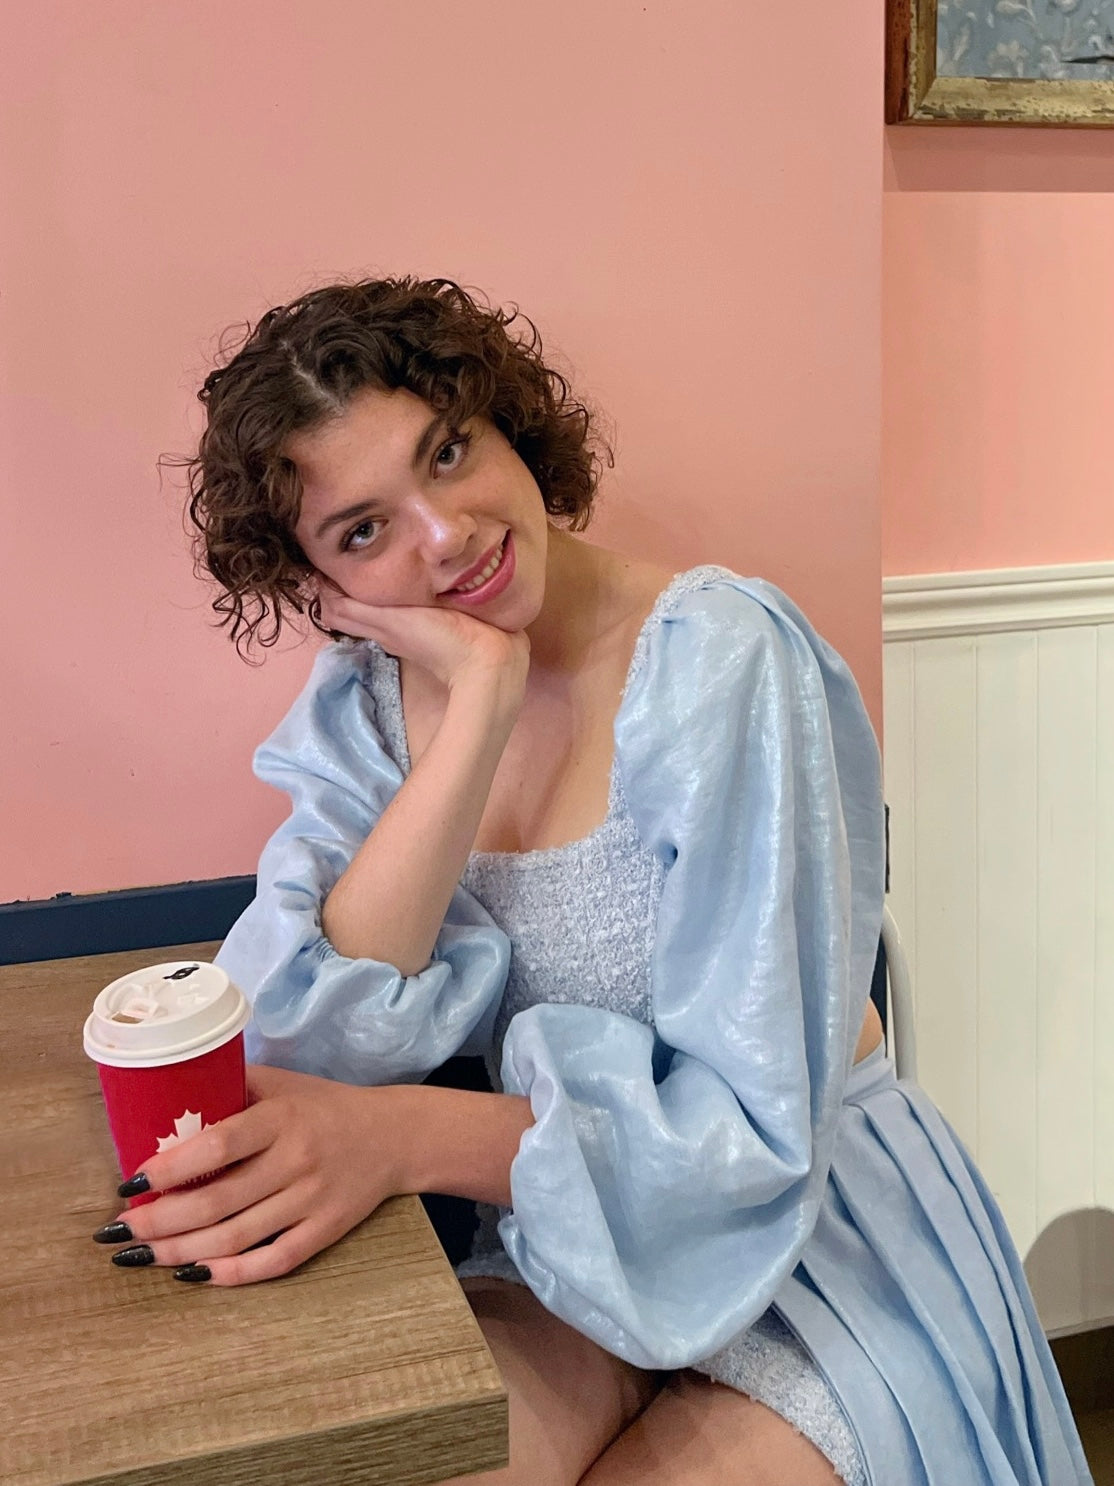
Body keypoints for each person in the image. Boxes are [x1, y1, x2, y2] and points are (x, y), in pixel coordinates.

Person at [97, 278, 1091, 1486]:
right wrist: (477, 712)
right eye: (364, 529)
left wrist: (402, 1138)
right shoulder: (364, 713)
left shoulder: (719, 660)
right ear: (318, 583)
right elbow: (310, 1048)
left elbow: (752, 1140)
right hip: (577, 1238)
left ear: (509, 420)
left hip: (817, 1234)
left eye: (449, 450)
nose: (444, 532)